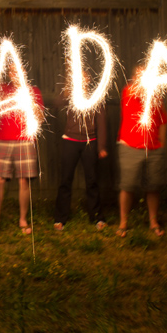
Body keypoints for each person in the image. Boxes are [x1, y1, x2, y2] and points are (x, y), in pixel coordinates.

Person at [0, 63, 44, 236]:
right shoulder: (2, 89)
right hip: (3, 139)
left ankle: (23, 220)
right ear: (9, 74)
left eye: (18, 70)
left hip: (25, 140)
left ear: (24, 71)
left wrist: (30, 104)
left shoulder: (34, 91)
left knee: (23, 181)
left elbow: (40, 119)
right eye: (11, 71)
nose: (15, 73)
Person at [116, 66, 167, 238]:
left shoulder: (156, 96)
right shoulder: (128, 91)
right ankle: (123, 223)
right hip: (130, 146)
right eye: (140, 75)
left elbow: (162, 120)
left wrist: (161, 144)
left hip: (153, 149)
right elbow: (139, 93)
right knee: (127, 186)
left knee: (153, 187)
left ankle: (153, 222)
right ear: (134, 77)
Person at [54, 83, 108, 231]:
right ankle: (60, 218)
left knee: (92, 180)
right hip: (70, 141)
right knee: (65, 180)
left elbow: (101, 121)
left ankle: (97, 217)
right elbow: (57, 103)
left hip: (90, 142)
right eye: (79, 77)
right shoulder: (70, 94)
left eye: (85, 77)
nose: (82, 80)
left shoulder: (96, 95)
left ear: (89, 80)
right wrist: (66, 91)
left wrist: (101, 146)